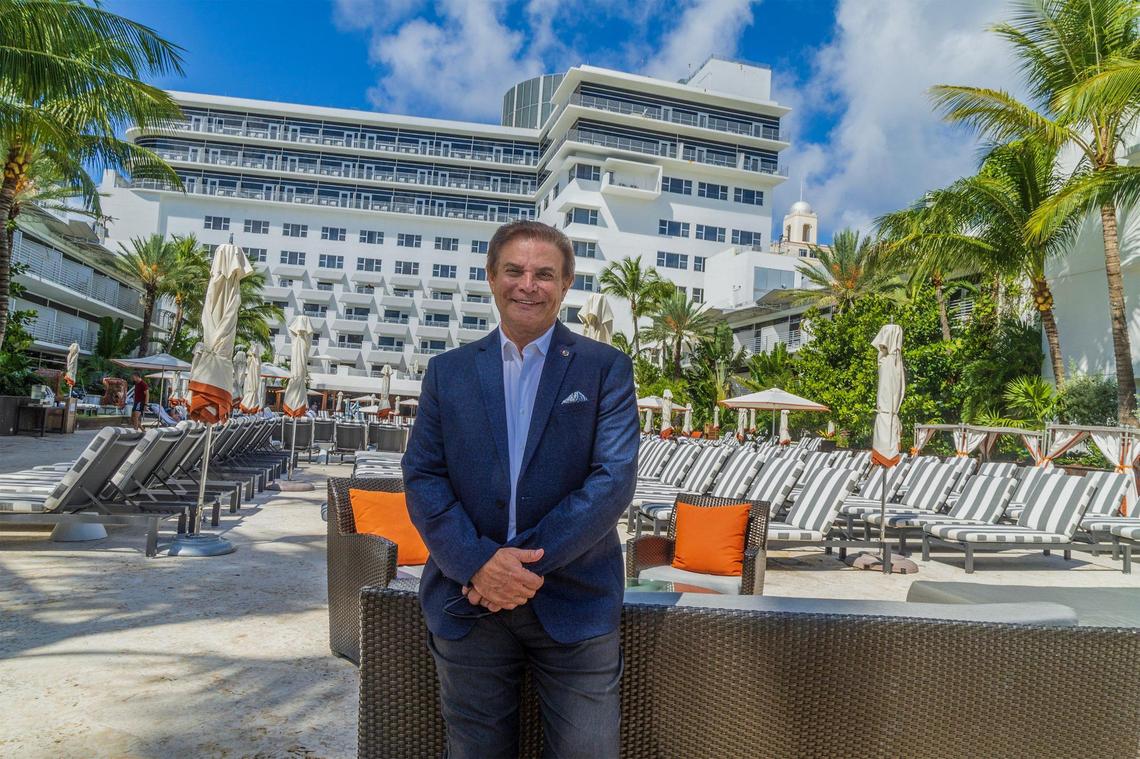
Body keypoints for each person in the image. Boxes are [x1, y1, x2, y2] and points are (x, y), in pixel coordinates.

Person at [403, 220, 639, 758]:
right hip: (468, 602)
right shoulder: (448, 373)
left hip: (576, 604)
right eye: (514, 270)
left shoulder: (606, 369)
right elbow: (423, 477)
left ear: (566, 284)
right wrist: (479, 565)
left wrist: (515, 570)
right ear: (492, 278)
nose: (527, 284)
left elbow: (612, 479)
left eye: (543, 274)